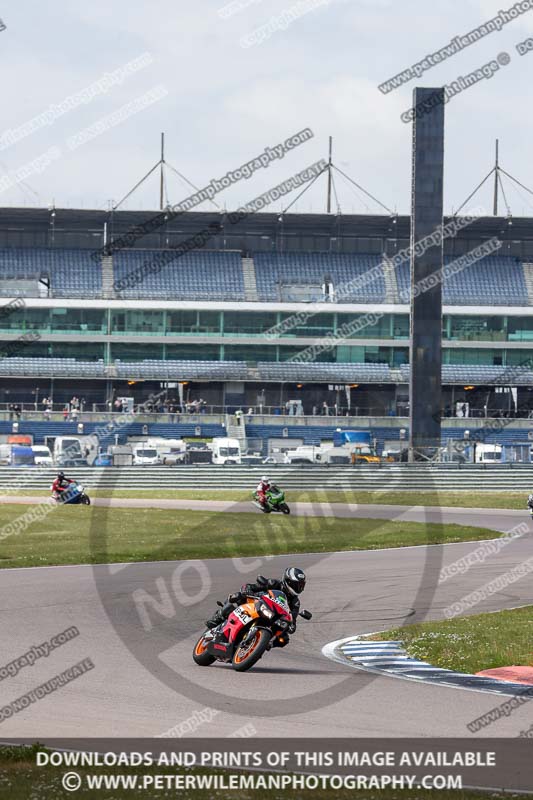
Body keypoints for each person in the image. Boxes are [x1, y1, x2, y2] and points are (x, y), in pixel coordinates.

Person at [205, 567, 307, 645]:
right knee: (237, 596)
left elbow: (292, 618)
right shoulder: (274, 583)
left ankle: (265, 643)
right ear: (288, 581)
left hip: (270, 617)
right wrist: (247, 590)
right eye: (296, 585)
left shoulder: (295, 603)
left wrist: (291, 626)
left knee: (284, 639)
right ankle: (218, 617)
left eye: (301, 585)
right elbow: (250, 586)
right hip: (255, 603)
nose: (299, 588)